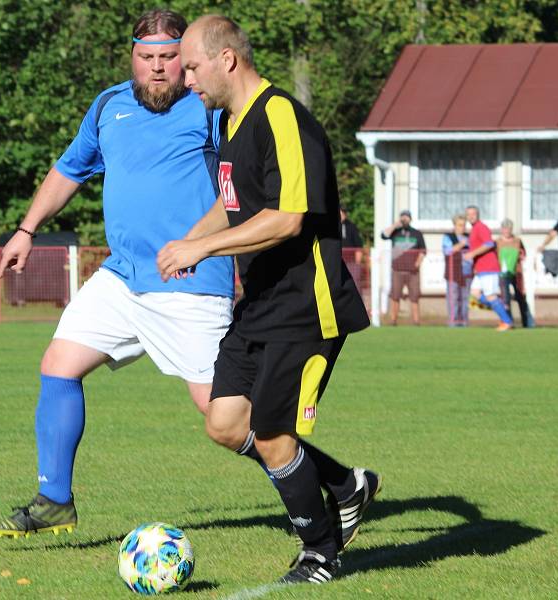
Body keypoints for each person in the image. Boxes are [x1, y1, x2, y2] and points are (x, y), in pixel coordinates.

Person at [0, 10, 236, 538]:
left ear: (186, 59)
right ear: (132, 57)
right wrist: (26, 229)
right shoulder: (108, 106)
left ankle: (331, 482)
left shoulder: (209, 108)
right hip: (122, 278)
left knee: (222, 416)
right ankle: (54, 499)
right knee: (59, 364)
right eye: (146, 58)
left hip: (190, 278)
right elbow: (69, 170)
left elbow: (253, 178)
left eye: (169, 58)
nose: (158, 69)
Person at [157, 15, 379, 585]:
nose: (184, 80)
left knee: (276, 434)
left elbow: (286, 217)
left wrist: (202, 249)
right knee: (227, 423)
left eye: (190, 66)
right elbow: (235, 206)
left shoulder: (280, 115)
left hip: (307, 306)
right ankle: (343, 484)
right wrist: (190, 239)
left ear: (226, 58)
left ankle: (321, 554)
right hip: (259, 305)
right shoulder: (231, 124)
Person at [464, 205, 513, 331]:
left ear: (478, 214)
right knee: (475, 293)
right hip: (480, 268)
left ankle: (506, 321)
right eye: (468, 214)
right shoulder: (474, 229)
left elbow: (489, 244)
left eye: (473, 214)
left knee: (490, 296)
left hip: (489, 267)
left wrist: (472, 254)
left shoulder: (481, 227)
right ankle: (501, 307)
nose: (470, 216)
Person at [380, 209, 426, 325]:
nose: (404, 219)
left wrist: (418, 263)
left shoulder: (417, 233)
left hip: (413, 271)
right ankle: (393, 320)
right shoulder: (395, 232)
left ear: (410, 219)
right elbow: (383, 235)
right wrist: (395, 225)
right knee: (395, 296)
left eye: (407, 217)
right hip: (397, 270)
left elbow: (423, 250)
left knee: (414, 297)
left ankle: (416, 321)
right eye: (403, 217)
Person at [496, 219, 531, 328]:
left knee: (520, 297)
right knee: (505, 298)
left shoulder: (517, 241)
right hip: (503, 273)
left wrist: (521, 256)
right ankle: (508, 321)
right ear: (501, 229)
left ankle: (526, 323)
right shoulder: (497, 242)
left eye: (509, 228)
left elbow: (523, 254)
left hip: (517, 272)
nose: (506, 230)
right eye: (504, 228)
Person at [441, 214, 472, 326]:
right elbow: (447, 251)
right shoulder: (448, 237)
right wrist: (461, 244)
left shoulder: (470, 236)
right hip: (453, 272)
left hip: (467, 272)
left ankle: (464, 321)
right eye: (459, 225)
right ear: (454, 225)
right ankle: (453, 321)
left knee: (465, 297)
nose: (462, 227)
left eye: (464, 225)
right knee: (453, 297)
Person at [339, 205, 365, 292]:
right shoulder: (329, 226)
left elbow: (358, 246)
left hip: (351, 262)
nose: (341, 214)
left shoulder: (352, 227)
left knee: (355, 284)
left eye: (343, 212)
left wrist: (357, 264)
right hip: (336, 261)